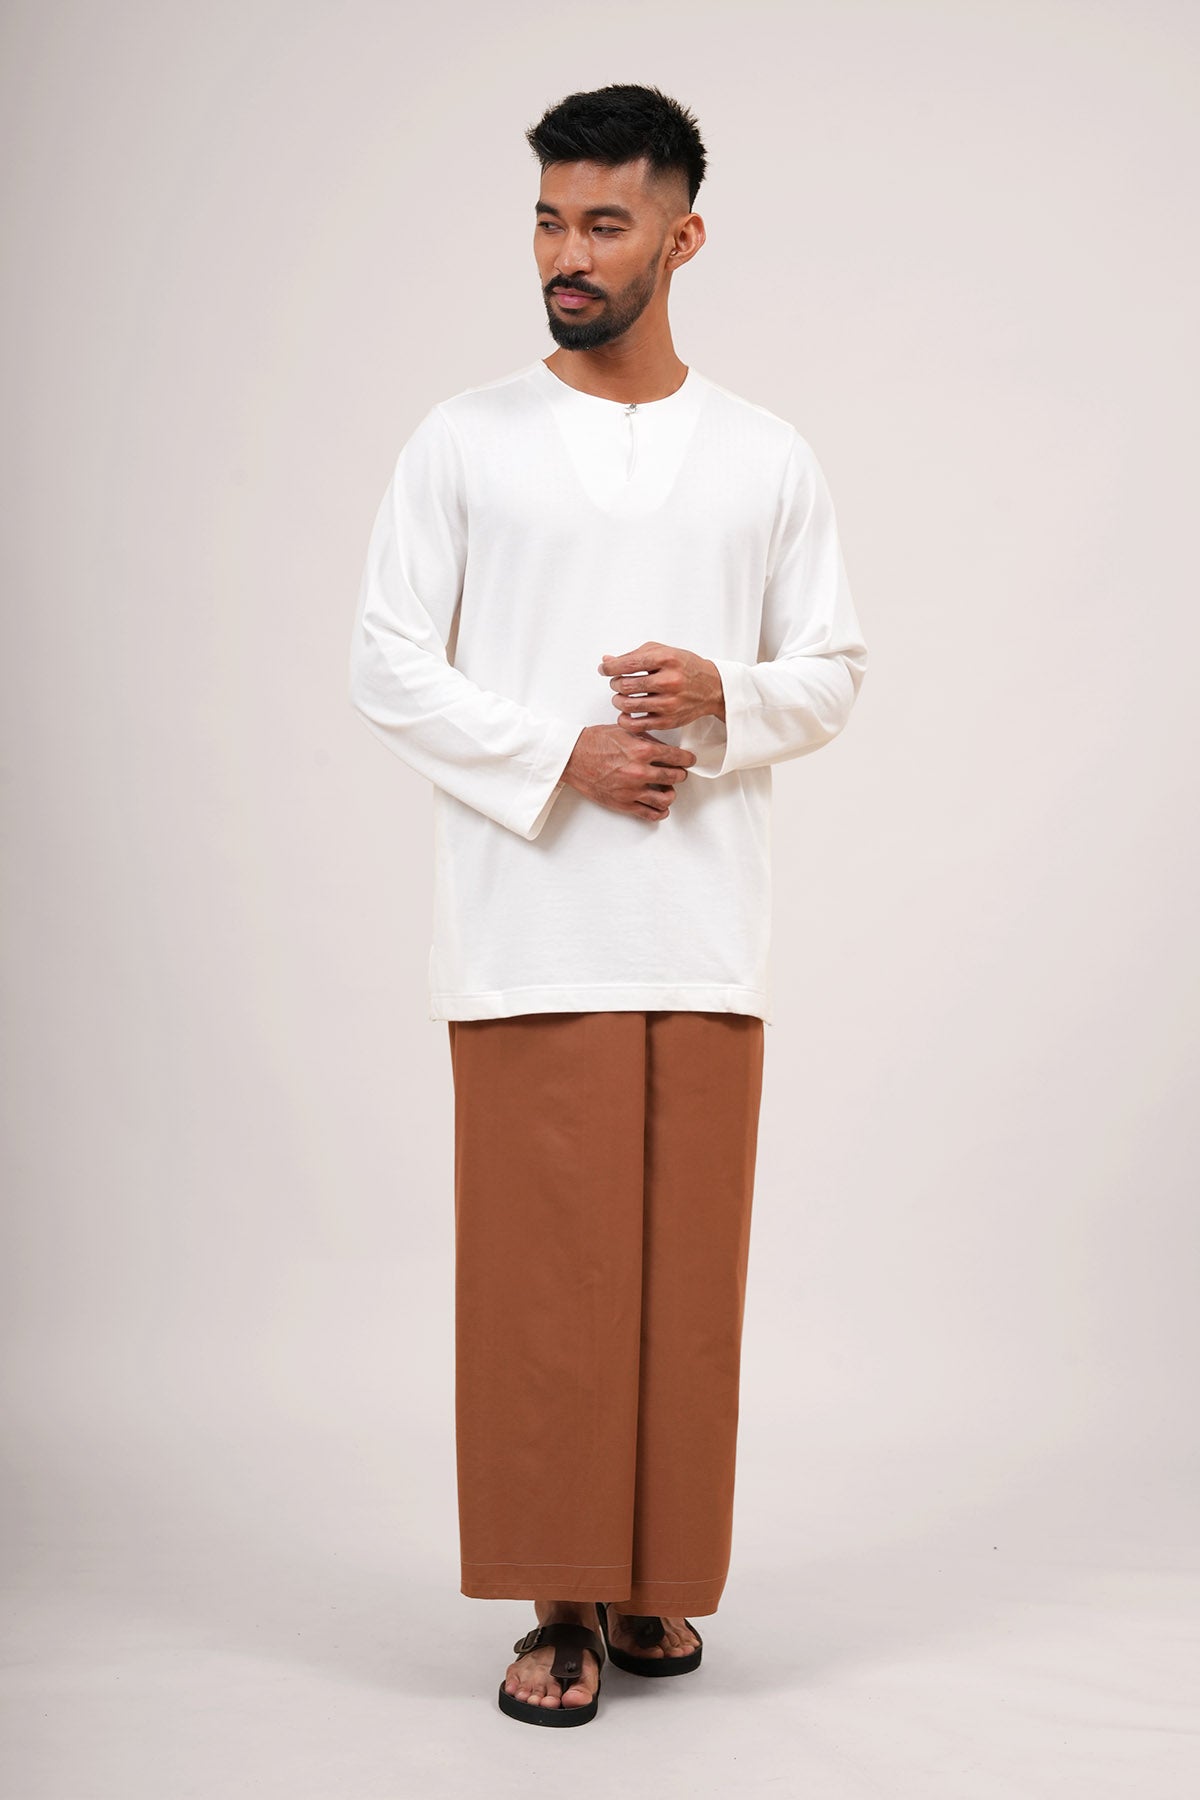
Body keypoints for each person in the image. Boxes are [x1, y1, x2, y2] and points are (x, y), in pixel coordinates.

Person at [348, 82, 868, 1728]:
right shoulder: (465, 438)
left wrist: (722, 700)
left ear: (682, 237)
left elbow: (834, 671)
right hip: (526, 930)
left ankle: (652, 1582)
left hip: (707, 932)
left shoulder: (766, 454)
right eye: (549, 220)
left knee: (684, 1287)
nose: (565, 254)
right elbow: (386, 661)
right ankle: (557, 1600)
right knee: (543, 1285)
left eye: (604, 222)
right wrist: (557, 756)